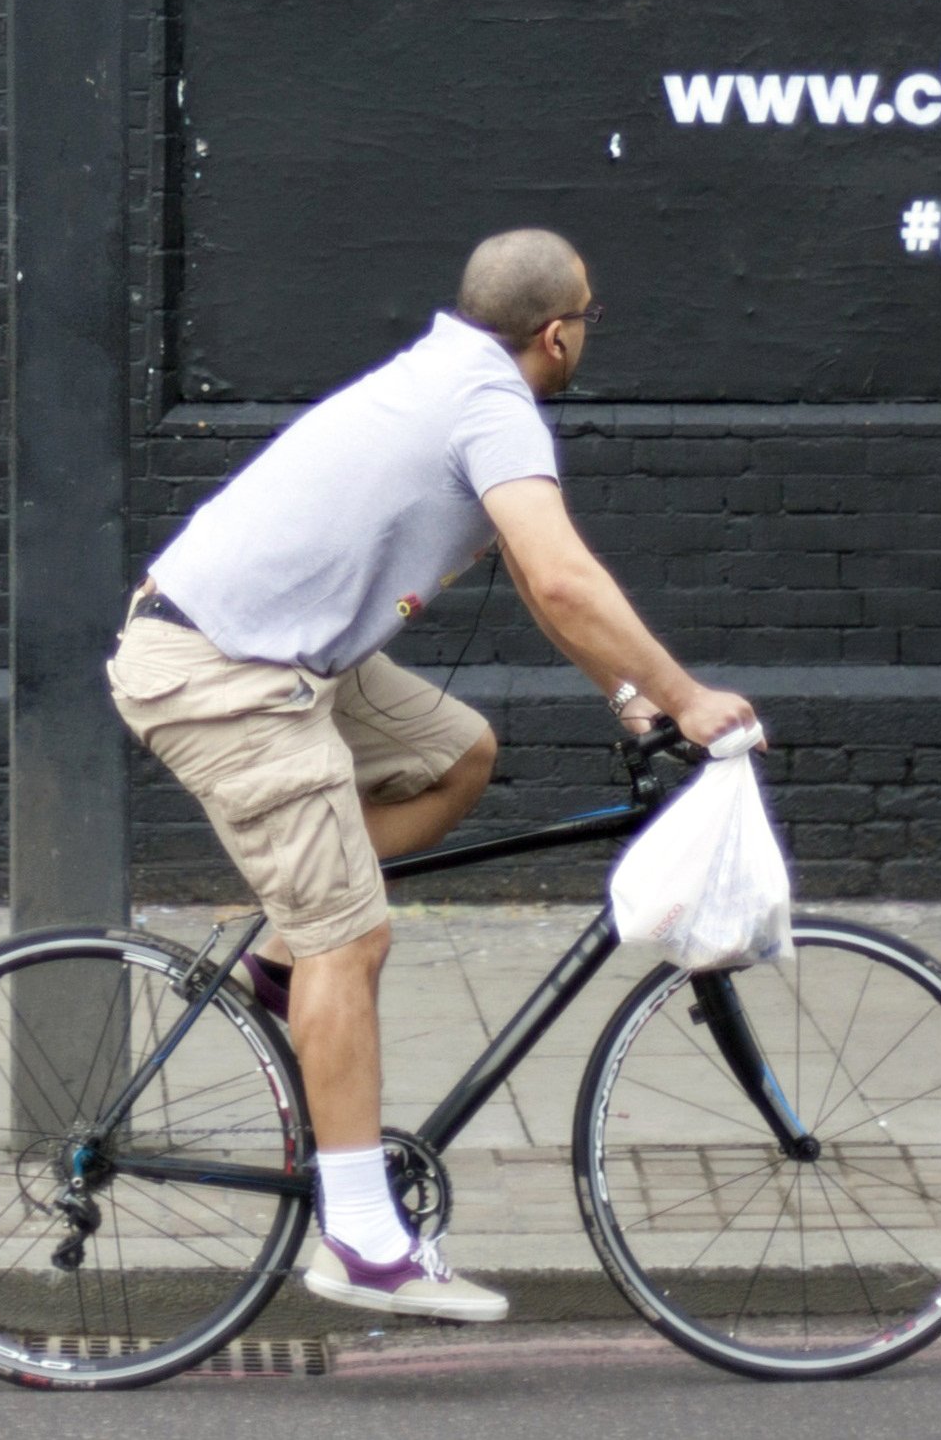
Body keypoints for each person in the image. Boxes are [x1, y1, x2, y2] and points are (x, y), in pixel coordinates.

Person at [108, 228, 758, 1328]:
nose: (586, 332)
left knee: (456, 755)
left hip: (290, 652)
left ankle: (283, 967)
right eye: (588, 316)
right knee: (352, 940)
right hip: (227, 671)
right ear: (556, 333)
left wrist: (630, 697)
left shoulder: (453, 372)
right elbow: (561, 578)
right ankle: (360, 1240)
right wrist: (688, 695)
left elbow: (540, 572)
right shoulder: (492, 401)